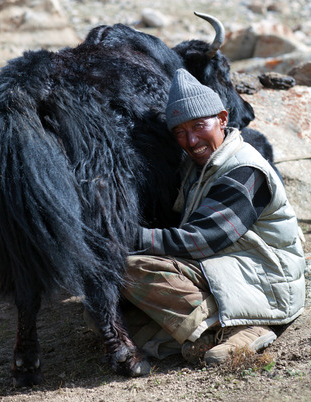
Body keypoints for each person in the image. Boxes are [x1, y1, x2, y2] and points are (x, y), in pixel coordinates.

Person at [121, 68, 306, 365]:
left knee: (131, 268)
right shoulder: (199, 167)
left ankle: (240, 327)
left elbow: (200, 240)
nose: (191, 140)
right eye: (180, 132)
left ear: (222, 119)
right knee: (119, 313)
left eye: (198, 126)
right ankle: (207, 332)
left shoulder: (244, 170)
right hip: (227, 269)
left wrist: (125, 235)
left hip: (268, 280)